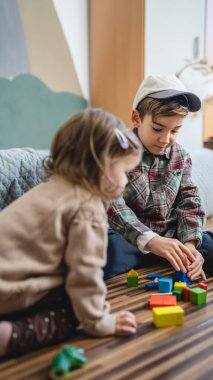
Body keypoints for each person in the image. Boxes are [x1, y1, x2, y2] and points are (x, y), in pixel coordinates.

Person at [0, 108, 142, 358]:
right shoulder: (87, 208)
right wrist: (99, 321)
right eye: (125, 172)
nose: (127, 182)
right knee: (72, 312)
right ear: (100, 167)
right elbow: (84, 276)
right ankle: (10, 336)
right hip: (6, 292)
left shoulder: (47, 189)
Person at [106, 74, 213, 280]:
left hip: (170, 234)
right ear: (136, 118)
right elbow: (113, 205)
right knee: (101, 256)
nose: (165, 139)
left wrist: (189, 247)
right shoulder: (117, 151)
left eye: (175, 130)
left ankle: (168, 255)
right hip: (128, 236)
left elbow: (189, 200)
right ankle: (157, 255)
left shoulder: (180, 155)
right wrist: (150, 241)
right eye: (157, 129)